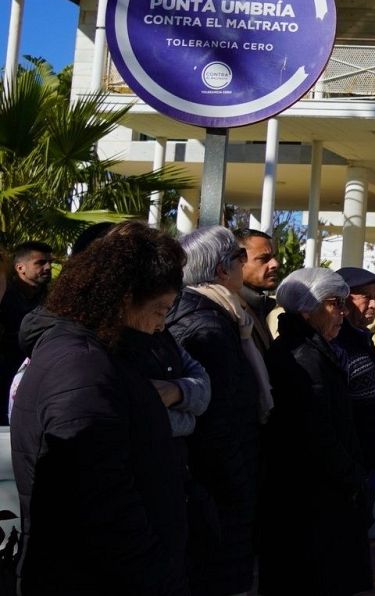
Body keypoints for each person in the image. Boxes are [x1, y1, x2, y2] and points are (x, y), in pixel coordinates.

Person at [10, 223, 189, 595]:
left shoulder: (95, 354)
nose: (160, 327)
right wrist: (157, 575)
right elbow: (102, 504)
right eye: (159, 310)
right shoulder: (83, 367)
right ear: (124, 298)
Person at [168, 226, 271, 595]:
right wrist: (239, 486)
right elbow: (217, 419)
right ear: (219, 269)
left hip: (224, 478)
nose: (245, 265)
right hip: (220, 484)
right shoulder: (208, 324)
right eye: (240, 258)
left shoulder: (226, 315)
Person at [257, 268, 369, 595]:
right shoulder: (301, 356)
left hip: (323, 497)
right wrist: (351, 475)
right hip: (309, 503)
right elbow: (315, 431)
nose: (343, 313)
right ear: (308, 309)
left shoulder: (317, 349)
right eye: (335, 303)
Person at [334, 267, 375, 543]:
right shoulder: (339, 344)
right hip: (353, 461)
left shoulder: (361, 338)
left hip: (369, 458)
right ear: (343, 301)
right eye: (365, 297)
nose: (373, 304)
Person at [0, 240, 53, 424]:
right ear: (20, 267)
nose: (48, 267)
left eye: (50, 263)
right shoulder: (4, 297)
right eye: (40, 263)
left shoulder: (51, 299)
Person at [236, 228, 282, 335]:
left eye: (273, 257)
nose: (275, 264)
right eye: (264, 258)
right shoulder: (229, 310)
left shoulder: (258, 306)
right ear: (238, 261)